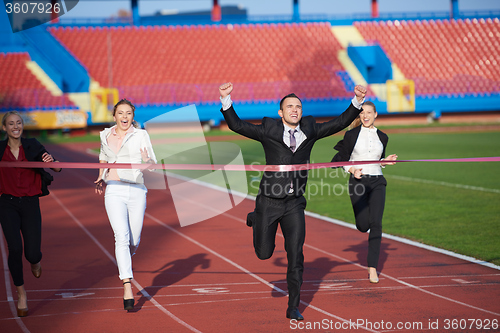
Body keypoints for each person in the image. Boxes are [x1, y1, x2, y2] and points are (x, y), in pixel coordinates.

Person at [219, 82, 366, 320]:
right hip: (269, 201)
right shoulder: (268, 129)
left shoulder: (310, 129)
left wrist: (356, 102)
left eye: (298, 106)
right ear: (281, 112)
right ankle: (255, 218)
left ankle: (293, 306)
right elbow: (237, 125)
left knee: (296, 254)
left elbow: (338, 123)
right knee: (264, 253)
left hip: (294, 203)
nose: (295, 110)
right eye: (289, 106)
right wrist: (226, 99)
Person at [94, 99, 156, 311]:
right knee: (121, 236)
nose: (124, 116)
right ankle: (127, 284)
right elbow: (103, 158)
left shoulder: (141, 135)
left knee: (134, 240)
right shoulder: (105, 135)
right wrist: (100, 177)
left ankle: (126, 261)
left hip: (137, 190)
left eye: (128, 113)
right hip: (114, 190)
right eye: (121, 113)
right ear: (114, 116)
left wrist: (147, 161)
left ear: (132, 116)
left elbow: (152, 164)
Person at [0, 111, 61, 317]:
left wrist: (50, 160)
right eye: (11, 124)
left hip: (30, 203)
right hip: (6, 204)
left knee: (32, 253)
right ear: (4, 128)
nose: (15, 126)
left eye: (18, 123)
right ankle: (21, 294)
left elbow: (57, 168)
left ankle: (35, 260)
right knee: (14, 248)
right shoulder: (0, 149)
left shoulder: (33, 145)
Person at [331, 101, 397, 283]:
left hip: (377, 182)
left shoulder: (383, 137)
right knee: (362, 225)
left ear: (376, 114)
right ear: (359, 116)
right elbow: (340, 160)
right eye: (362, 113)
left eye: (369, 112)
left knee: (376, 223)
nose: (365, 116)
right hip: (358, 182)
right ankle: (362, 225)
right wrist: (352, 170)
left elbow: (377, 159)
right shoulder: (351, 135)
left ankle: (372, 268)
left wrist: (385, 161)